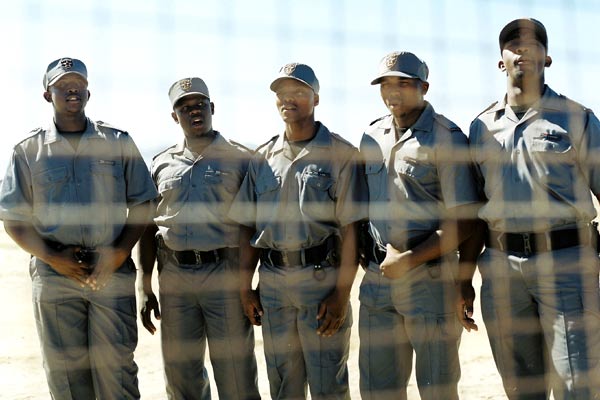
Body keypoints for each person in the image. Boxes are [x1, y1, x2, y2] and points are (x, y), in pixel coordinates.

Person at [0, 57, 157, 399]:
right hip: (55, 277)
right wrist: (54, 258)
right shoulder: (27, 151)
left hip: (111, 273)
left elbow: (144, 203)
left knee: (117, 373)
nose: (73, 89)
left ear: (89, 92)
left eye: (79, 84)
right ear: (47, 95)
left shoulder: (117, 142)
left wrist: (118, 252)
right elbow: (13, 217)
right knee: (67, 378)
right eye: (63, 85)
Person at [465, 18, 600, 399]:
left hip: (567, 265)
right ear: (500, 60)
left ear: (548, 57)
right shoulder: (481, 128)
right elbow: (475, 209)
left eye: (532, 43)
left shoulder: (578, 118)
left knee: (577, 386)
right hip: (502, 271)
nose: (521, 49)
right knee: (521, 389)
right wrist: (464, 280)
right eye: (512, 43)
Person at [228, 63, 367, 399]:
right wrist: (245, 288)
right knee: (282, 383)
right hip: (273, 284)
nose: (288, 100)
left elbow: (352, 231)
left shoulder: (341, 154)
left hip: (320, 281)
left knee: (327, 383)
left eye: (298, 93)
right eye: (282, 94)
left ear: (315, 98)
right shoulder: (262, 157)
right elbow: (248, 226)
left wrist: (341, 295)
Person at [358, 51, 479, 400]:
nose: (392, 91)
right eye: (385, 83)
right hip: (377, 281)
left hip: (430, 282)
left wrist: (409, 259)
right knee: (377, 390)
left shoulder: (447, 138)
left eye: (403, 83)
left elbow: (466, 220)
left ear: (424, 87)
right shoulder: (371, 136)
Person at [137, 77, 260, 400]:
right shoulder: (161, 163)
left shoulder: (241, 159)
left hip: (226, 274)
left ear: (212, 108)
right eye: (185, 107)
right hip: (174, 277)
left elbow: (255, 225)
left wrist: (248, 285)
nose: (194, 112)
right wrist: (145, 285)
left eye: (200, 105)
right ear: (174, 116)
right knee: (181, 378)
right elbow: (149, 226)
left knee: (236, 375)